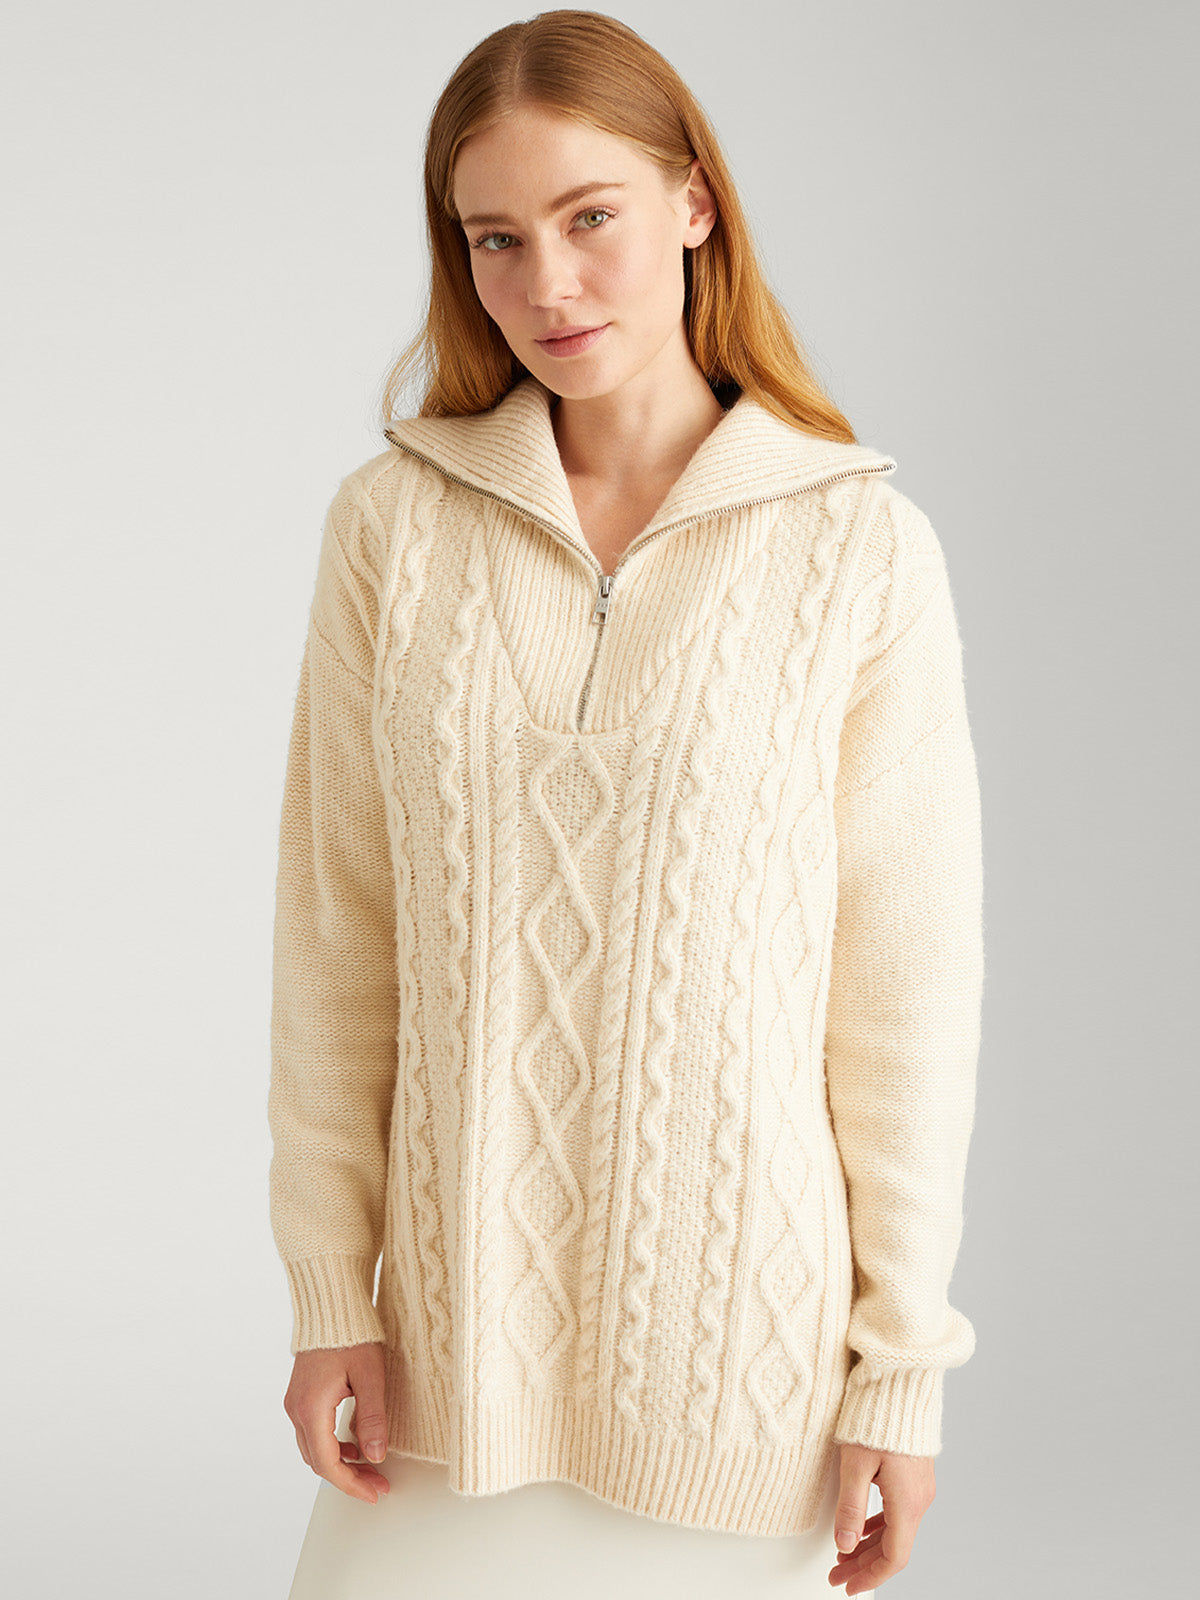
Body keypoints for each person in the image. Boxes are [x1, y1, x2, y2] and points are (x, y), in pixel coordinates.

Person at [267, 11, 984, 1599]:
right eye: (496, 239)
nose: (549, 284)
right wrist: (331, 1292)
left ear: (694, 203)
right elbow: (337, 943)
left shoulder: (860, 551)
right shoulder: (392, 529)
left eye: (590, 217)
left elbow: (903, 998)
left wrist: (899, 1371)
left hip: (743, 1378)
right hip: (445, 1368)